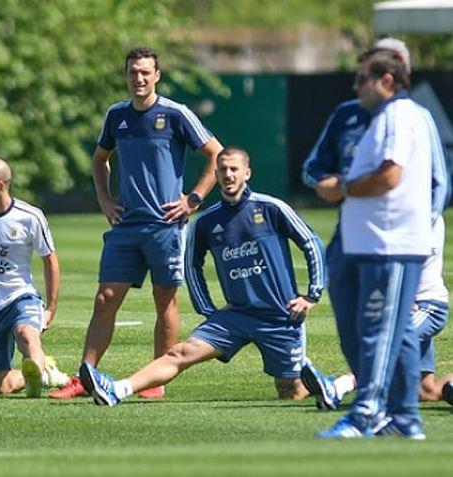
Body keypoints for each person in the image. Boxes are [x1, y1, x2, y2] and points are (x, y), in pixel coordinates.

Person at [79, 147, 326, 406]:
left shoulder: (271, 208)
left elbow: (311, 243)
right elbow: (192, 267)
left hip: (279, 316)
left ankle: (341, 386)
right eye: (222, 169)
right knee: (180, 352)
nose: (228, 175)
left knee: (290, 390)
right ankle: (116, 389)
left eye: (234, 169)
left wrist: (312, 295)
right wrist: (209, 310)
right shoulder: (207, 221)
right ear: (216, 174)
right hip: (235, 316)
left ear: (247, 173)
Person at [50, 46, 223, 400]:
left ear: (157, 75)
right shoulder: (117, 116)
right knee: (105, 298)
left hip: (166, 226)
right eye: (133, 72)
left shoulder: (176, 114)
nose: (139, 78)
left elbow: (216, 154)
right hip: (126, 226)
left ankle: (155, 379)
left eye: (145, 72)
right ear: (126, 75)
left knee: (165, 301)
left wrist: (193, 199)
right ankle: (85, 377)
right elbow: (100, 159)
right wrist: (104, 198)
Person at [301, 38, 452, 412]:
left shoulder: (411, 116)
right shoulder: (348, 115)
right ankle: (401, 411)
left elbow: (433, 180)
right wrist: (326, 185)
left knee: (386, 332)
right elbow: (313, 168)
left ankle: (358, 399)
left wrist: (420, 227)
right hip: (357, 235)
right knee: (416, 375)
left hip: (399, 242)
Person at [0, 158, 68, 398]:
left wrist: (51, 307)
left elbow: (50, 259)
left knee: (25, 334)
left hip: (21, 296)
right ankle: (45, 371)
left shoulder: (30, 216)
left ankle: (36, 367)